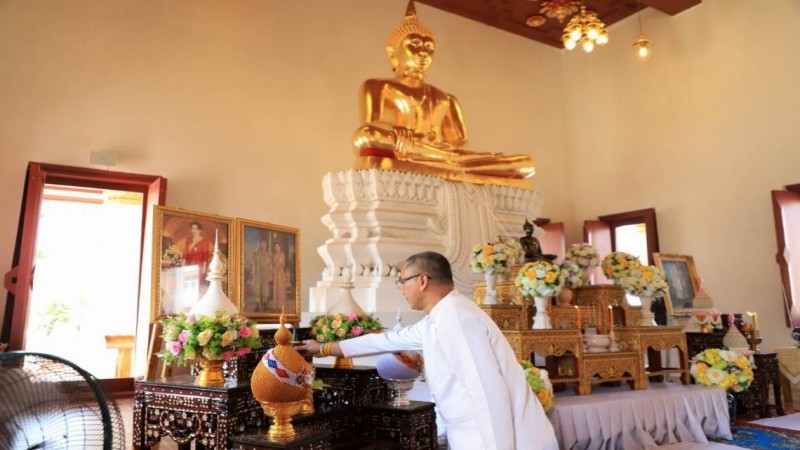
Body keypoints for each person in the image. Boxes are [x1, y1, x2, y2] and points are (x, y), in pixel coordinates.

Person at [296, 251, 557, 450]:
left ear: (422, 280)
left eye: (402, 281)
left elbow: (488, 393)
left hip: (501, 437)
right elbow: (387, 340)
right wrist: (324, 348)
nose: (402, 290)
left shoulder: (457, 318)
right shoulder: (440, 317)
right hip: (476, 433)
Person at [351, 2, 536, 188]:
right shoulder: (377, 85)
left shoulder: (445, 98)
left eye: (429, 47)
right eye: (414, 44)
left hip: (439, 155)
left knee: (526, 165)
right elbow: (371, 125)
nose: (423, 52)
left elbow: (458, 144)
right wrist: (395, 132)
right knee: (365, 136)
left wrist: (446, 154)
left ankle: (452, 165)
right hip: (403, 147)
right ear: (392, 52)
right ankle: (452, 165)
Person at [248, 239, 272, 310]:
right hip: (258, 273)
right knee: (257, 287)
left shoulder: (268, 254)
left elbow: (270, 265)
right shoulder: (256, 253)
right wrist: (253, 273)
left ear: (266, 245)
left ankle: (265, 303)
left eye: (264, 244)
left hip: (266, 273)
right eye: (262, 243)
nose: (263, 245)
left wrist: (270, 274)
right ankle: (257, 304)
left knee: (265, 288)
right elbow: (253, 263)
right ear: (260, 244)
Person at [271, 242, 287, 310]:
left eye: (278, 246)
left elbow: (281, 264)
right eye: (275, 247)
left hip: (280, 273)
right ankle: (276, 306)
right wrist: (273, 270)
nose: (276, 248)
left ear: (280, 247)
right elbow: (271, 264)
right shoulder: (273, 255)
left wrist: (276, 269)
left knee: (280, 289)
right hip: (275, 273)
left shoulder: (282, 254)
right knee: (275, 288)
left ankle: (281, 306)